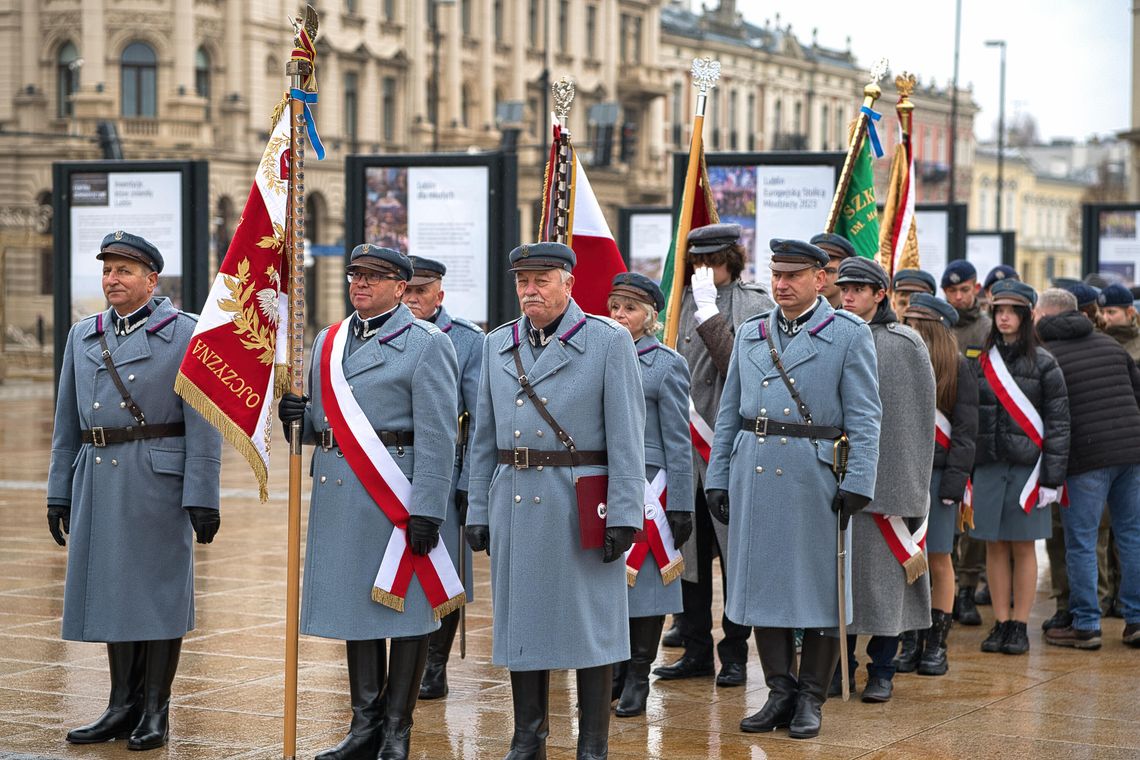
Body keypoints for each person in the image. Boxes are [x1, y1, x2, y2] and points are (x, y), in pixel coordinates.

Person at [278, 244, 461, 760]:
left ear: (401, 288)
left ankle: (397, 731)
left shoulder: (427, 344)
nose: (361, 283)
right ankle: (364, 726)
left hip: (396, 493)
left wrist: (427, 508)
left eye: (375, 277)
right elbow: (319, 427)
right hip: (342, 490)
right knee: (355, 607)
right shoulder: (328, 341)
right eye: (356, 275)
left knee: (403, 610)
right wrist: (296, 413)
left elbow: (438, 435)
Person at [464, 242, 646, 760]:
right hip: (516, 499)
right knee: (522, 621)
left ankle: (592, 741)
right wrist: (478, 508)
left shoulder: (608, 341)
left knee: (591, 624)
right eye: (522, 281)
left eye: (541, 280)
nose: (530, 290)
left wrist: (626, 513)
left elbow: (628, 439)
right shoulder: (497, 344)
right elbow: (484, 438)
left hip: (581, 501)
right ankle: (528, 736)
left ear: (568, 283)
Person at [48, 231, 222, 751]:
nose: (112, 280)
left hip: (156, 479)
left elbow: (204, 422)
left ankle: (154, 710)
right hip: (98, 474)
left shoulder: (186, 334)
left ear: (152, 279)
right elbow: (65, 425)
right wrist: (59, 490)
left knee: (158, 595)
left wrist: (203, 494)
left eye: (124, 271)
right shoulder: (83, 335)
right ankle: (120, 704)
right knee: (112, 590)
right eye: (107, 270)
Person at [705, 238, 881, 739]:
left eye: (793, 276)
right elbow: (729, 413)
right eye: (776, 275)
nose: (781, 285)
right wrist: (719, 475)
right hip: (754, 471)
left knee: (818, 590)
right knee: (764, 587)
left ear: (819, 280)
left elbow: (866, 418)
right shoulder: (752, 333)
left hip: (816, 475)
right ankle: (779, 691)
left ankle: (810, 698)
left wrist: (859, 482)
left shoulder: (847, 333)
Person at [656, 223, 773, 688]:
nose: (702, 269)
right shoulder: (675, 304)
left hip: (728, 450)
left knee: (735, 557)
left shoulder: (756, 304)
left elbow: (740, 368)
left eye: (711, 260)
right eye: (695, 261)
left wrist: (709, 314)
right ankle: (697, 650)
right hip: (685, 450)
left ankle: (736, 654)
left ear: (731, 258)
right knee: (690, 555)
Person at [831, 257, 935, 703]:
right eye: (844, 288)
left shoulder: (904, 344)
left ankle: (883, 668)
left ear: (880, 295)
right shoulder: (830, 336)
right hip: (835, 482)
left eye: (858, 289)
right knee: (839, 585)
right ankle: (840, 665)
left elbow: (915, 423)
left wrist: (906, 489)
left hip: (886, 488)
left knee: (884, 588)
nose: (848, 295)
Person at [606, 272, 694, 718]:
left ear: (650, 318)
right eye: (615, 306)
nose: (620, 316)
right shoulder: (597, 353)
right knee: (609, 584)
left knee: (646, 589)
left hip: (650, 486)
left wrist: (680, 501)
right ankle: (615, 672)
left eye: (630, 309)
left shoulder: (666, 363)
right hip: (605, 482)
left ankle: (639, 676)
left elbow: (679, 439)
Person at [1036, 289, 1140, 649]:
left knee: (1080, 540)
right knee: (1131, 536)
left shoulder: (1048, 354)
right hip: (1131, 452)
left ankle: (1086, 623)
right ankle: (1137, 619)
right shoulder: (1112, 345)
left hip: (1085, 458)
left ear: (1047, 315)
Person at [401, 256, 485, 701]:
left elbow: (480, 418)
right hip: (390, 466)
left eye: (421, 291)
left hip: (447, 470)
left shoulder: (467, 341)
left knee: (444, 572)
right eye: (407, 289)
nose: (412, 298)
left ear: (440, 295)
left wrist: (471, 482)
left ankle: (435, 665)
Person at [972, 279, 1070, 656]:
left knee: (1024, 547)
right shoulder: (981, 362)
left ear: (1027, 316)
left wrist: (1052, 479)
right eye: (999, 310)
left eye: (1012, 311)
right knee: (993, 547)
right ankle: (999, 621)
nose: (1004, 317)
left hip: (1029, 471)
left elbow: (1059, 424)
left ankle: (1019, 624)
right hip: (990, 466)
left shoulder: (1045, 362)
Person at [898, 294, 979, 676]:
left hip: (941, 476)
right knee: (907, 558)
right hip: (905, 475)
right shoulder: (900, 362)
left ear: (930, 329)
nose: (908, 329)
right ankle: (911, 640)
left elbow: (965, 433)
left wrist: (953, 483)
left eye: (915, 324)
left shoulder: (959, 368)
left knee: (939, 559)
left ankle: (937, 644)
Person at [941, 259, 989, 625]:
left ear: (976, 289)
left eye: (964, 289)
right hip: (943, 437)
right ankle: (948, 585)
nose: (958, 297)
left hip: (978, 435)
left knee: (972, 523)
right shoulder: (940, 328)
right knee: (946, 523)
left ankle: (966, 590)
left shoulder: (989, 330)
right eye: (951, 291)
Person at [810, 232, 855, 309]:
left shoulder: (858, 318)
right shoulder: (790, 314)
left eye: (830, 271)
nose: (821, 278)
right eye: (816, 270)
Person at [1099, 283, 1140, 363]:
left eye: (1111, 312)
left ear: (1129, 312)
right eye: (1102, 312)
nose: (1104, 318)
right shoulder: (1096, 340)